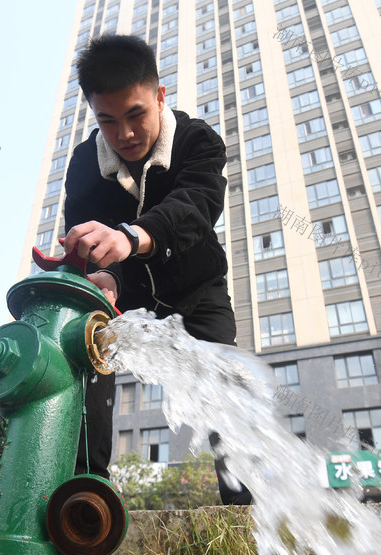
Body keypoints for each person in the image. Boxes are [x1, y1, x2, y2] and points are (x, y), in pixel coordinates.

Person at [60, 34, 250, 505]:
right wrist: (99, 279)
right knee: (84, 346)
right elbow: (83, 244)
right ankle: (89, 497)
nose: (123, 134)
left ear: (160, 97)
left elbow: (196, 208)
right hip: (125, 294)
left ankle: (245, 515)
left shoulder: (198, 140)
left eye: (135, 115)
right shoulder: (85, 163)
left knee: (227, 393)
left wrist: (128, 237)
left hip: (197, 289)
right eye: (107, 121)